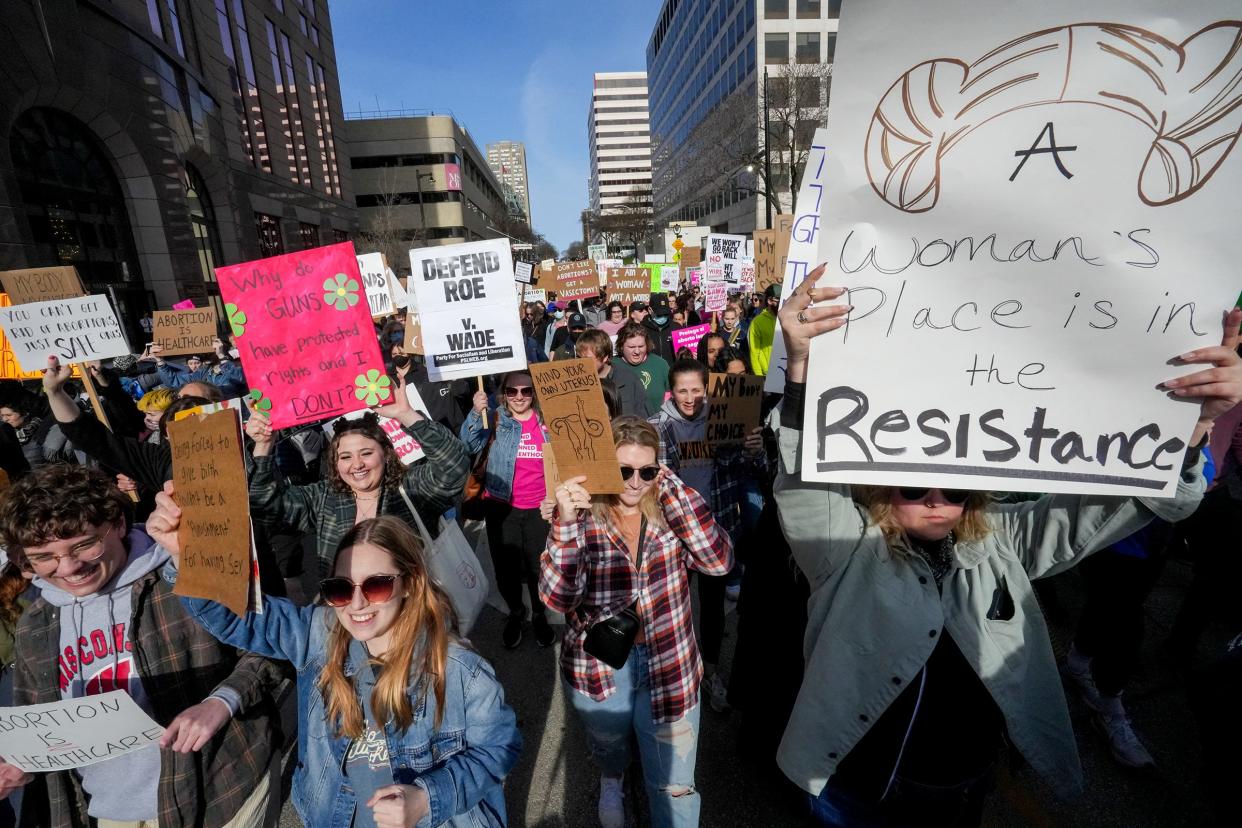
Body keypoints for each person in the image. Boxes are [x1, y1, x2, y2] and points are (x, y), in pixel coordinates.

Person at [770, 267, 1241, 826]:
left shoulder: (1004, 537)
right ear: (876, 484)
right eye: (915, 485)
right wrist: (799, 365)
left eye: (957, 487)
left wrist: (1192, 422)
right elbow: (803, 478)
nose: (937, 500)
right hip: (855, 785)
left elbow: (1121, 507)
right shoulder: (844, 547)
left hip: (963, 785)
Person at [147, 499, 523, 828]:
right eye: (340, 589)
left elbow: (498, 749)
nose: (357, 604)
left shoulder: (462, 670)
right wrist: (184, 555)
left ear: (409, 583)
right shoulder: (318, 634)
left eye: (376, 585)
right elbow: (236, 616)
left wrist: (426, 798)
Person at [0, 465, 284, 827]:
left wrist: (221, 701)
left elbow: (269, 648)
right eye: (44, 557)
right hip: (109, 809)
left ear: (117, 524)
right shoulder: (35, 625)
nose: (69, 567)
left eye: (84, 545)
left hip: (220, 789)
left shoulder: (185, 572)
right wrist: (21, 762)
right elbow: (36, 726)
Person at [540, 416, 733, 828]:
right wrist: (567, 524)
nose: (634, 482)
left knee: (675, 784)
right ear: (606, 467)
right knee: (609, 744)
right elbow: (559, 598)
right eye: (623, 470)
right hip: (602, 666)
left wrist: (669, 486)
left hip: (670, 662)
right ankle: (614, 776)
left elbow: (718, 562)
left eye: (646, 471)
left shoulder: (671, 508)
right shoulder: (584, 514)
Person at [247, 382, 470, 579]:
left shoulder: (410, 488)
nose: (357, 464)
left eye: (366, 453)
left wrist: (406, 415)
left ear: (386, 453)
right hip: (348, 613)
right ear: (335, 462)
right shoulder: (323, 498)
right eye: (345, 457)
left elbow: (454, 466)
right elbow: (265, 506)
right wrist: (264, 445)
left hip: (409, 614)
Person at [650, 359, 767, 712]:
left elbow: (754, 472)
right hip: (674, 535)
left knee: (713, 608)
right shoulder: (657, 429)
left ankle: (711, 671)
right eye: (683, 390)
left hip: (715, 531)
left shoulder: (727, 420)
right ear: (672, 391)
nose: (690, 398)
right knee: (674, 608)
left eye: (697, 390)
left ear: (707, 389)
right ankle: (675, 674)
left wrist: (755, 451)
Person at [460, 371, 555, 649]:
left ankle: (539, 613)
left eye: (526, 391)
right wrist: (477, 413)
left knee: (539, 566)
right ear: (503, 393)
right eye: (512, 392)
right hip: (501, 506)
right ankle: (516, 611)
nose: (519, 397)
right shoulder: (497, 418)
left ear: (534, 394)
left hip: (541, 508)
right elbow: (468, 444)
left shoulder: (548, 422)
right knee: (507, 569)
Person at [577, 329, 649, 417]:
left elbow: (642, 417)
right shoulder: (575, 381)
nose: (581, 363)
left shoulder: (628, 379)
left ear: (604, 358)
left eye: (587, 359)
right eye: (579, 357)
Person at [0, 387, 74, 468]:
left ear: (25, 413)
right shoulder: (6, 435)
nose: (5, 419)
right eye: (2, 416)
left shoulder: (43, 432)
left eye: (9, 415)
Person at [617, 322, 670, 415]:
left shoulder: (660, 364)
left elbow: (672, 394)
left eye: (641, 346)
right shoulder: (613, 366)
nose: (637, 351)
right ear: (621, 347)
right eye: (631, 347)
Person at [747, 284, 780, 376]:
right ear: (769, 301)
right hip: (767, 375)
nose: (784, 302)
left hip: (786, 373)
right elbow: (754, 353)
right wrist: (760, 378)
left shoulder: (787, 318)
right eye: (780, 299)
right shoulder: (757, 322)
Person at [642, 294, 680, 364]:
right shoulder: (641, 330)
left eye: (665, 314)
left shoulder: (676, 328)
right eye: (659, 314)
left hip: (672, 371)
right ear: (650, 310)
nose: (663, 317)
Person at [719, 305, 750, 369]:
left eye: (732, 319)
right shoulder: (718, 334)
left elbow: (746, 355)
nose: (730, 322)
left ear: (736, 318)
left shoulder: (741, 334)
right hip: (722, 367)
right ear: (722, 318)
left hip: (737, 368)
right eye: (727, 319)